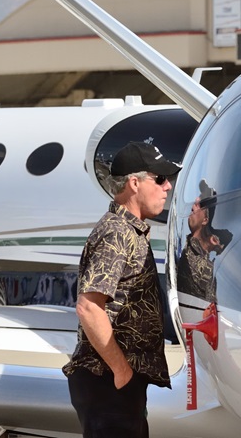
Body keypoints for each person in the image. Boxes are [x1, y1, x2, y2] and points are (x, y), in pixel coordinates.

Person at [63, 141, 181, 438]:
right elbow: (89, 306)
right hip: (107, 382)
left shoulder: (130, 231)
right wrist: (121, 371)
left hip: (116, 385)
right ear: (134, 183)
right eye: (160, 178)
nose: (167, 187)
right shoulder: (117, 232)